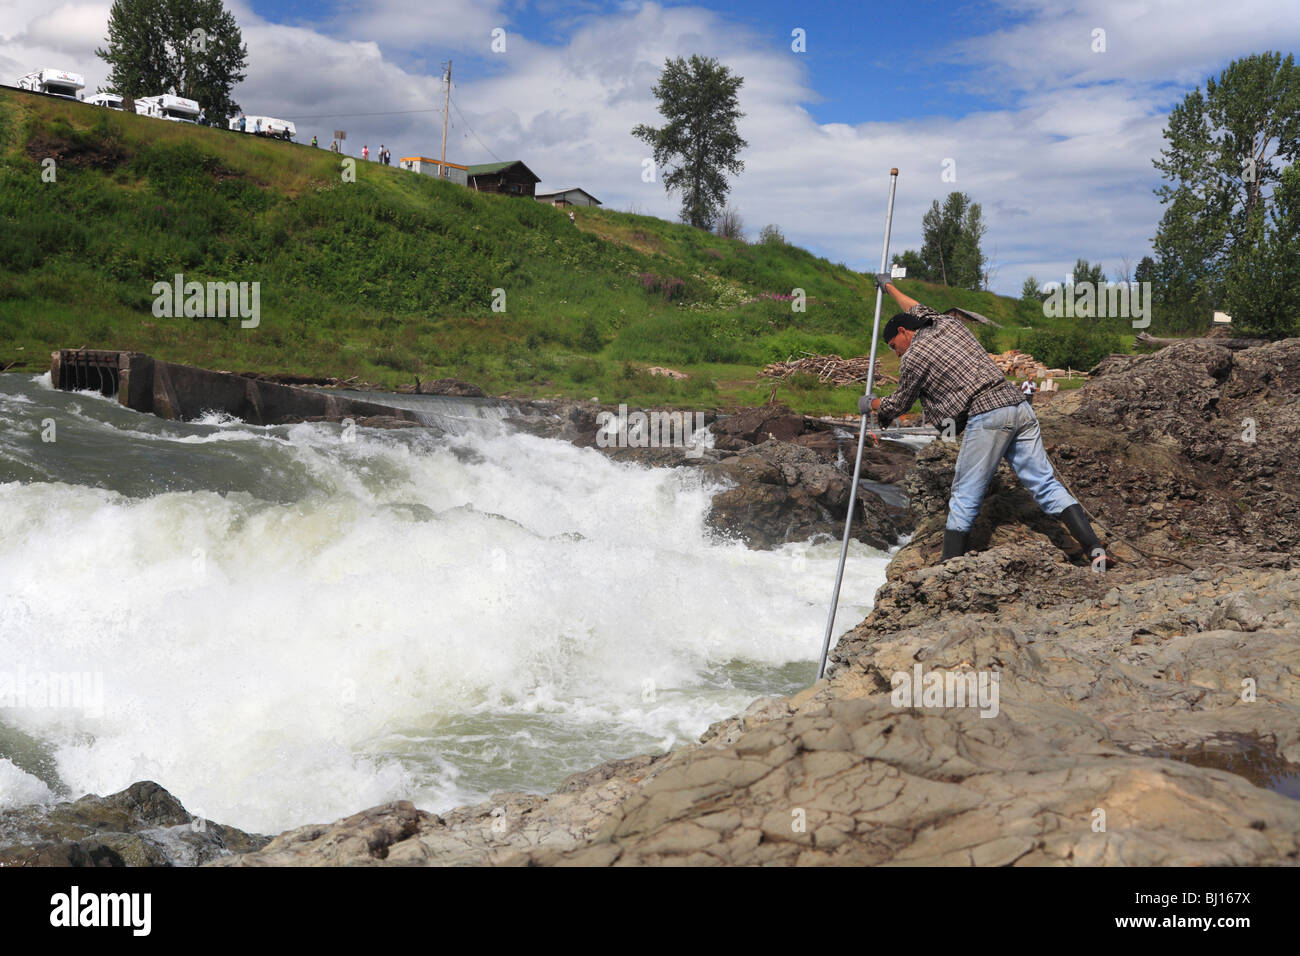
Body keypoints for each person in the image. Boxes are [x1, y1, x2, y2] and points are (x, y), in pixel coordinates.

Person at [864, 274, 1114, 566]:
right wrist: (889, 287)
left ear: (905, 332)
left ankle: (948, 566)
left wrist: (871, 403)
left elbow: (899, 403)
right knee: (1045, 485)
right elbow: (916, 306)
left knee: (965, 493)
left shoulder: (913, 357)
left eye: (894, 345)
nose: (896, 352)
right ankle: (1095, 550)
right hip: (1019, 407)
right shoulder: (947, 323)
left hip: (988, 416)